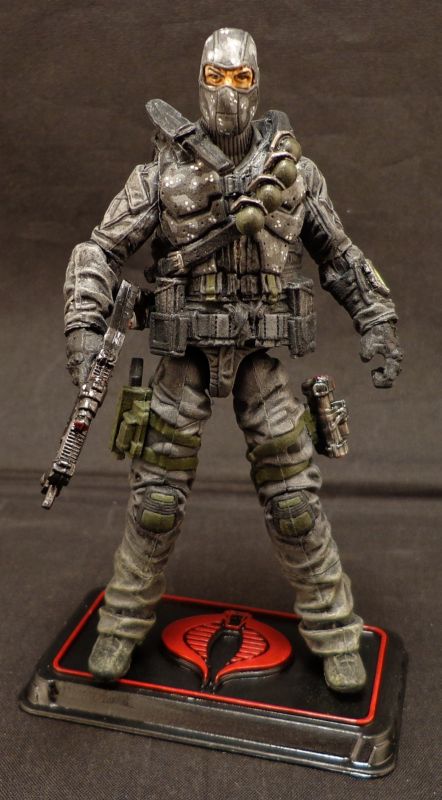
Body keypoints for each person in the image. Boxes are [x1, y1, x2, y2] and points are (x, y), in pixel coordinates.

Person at [63, 28, 402, 692]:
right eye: (216, 77)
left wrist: (377, 321)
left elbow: (340, 256)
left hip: (259, 361)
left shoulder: (294, 176)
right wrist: (83, 324)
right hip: (184, 357)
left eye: (241, 78)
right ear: (199, 80)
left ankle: (336, 632)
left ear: (257, 83)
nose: (228, 92)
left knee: (294, 499)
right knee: (155, 501)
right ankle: (121, 624)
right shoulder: (161, 176)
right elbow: (99, 249)